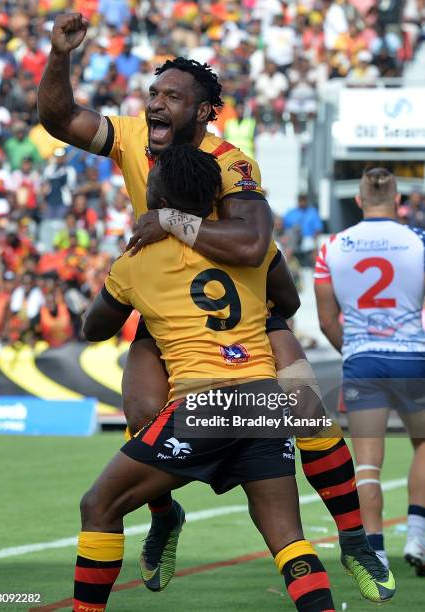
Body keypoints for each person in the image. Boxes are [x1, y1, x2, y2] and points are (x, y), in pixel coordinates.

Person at [38, 13, 393, 603]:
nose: (155, 103)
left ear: (203, 113)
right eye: (152, 92)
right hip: (169, 303)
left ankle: (355, 538)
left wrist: (169, 221)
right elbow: (56, 117)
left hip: (242, 300)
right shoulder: (132, 137)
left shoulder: (232, 162)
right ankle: (164, 513)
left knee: (305, 410)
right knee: (144, 411)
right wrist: (59, 55)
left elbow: (255, 247)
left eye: (171, 96)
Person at [78, 144, 336, 612]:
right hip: (264, 401)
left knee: (98, 506)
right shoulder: (251, 248)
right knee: (289, 541)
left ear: (156, 196)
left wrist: (138, 294)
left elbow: (93, 328)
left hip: (203, 406)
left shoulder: (138, 261)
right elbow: (289, 302)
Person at [315, 168, 425, 574]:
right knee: (424, 444)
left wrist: (355, 350)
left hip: (362, 358)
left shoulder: (333, 247)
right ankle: (418, 534)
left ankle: (375, 554)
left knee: (366, 464)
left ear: (359, 201)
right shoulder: (418, 241)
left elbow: (328, 320)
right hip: (412, 356)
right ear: (398, 202)